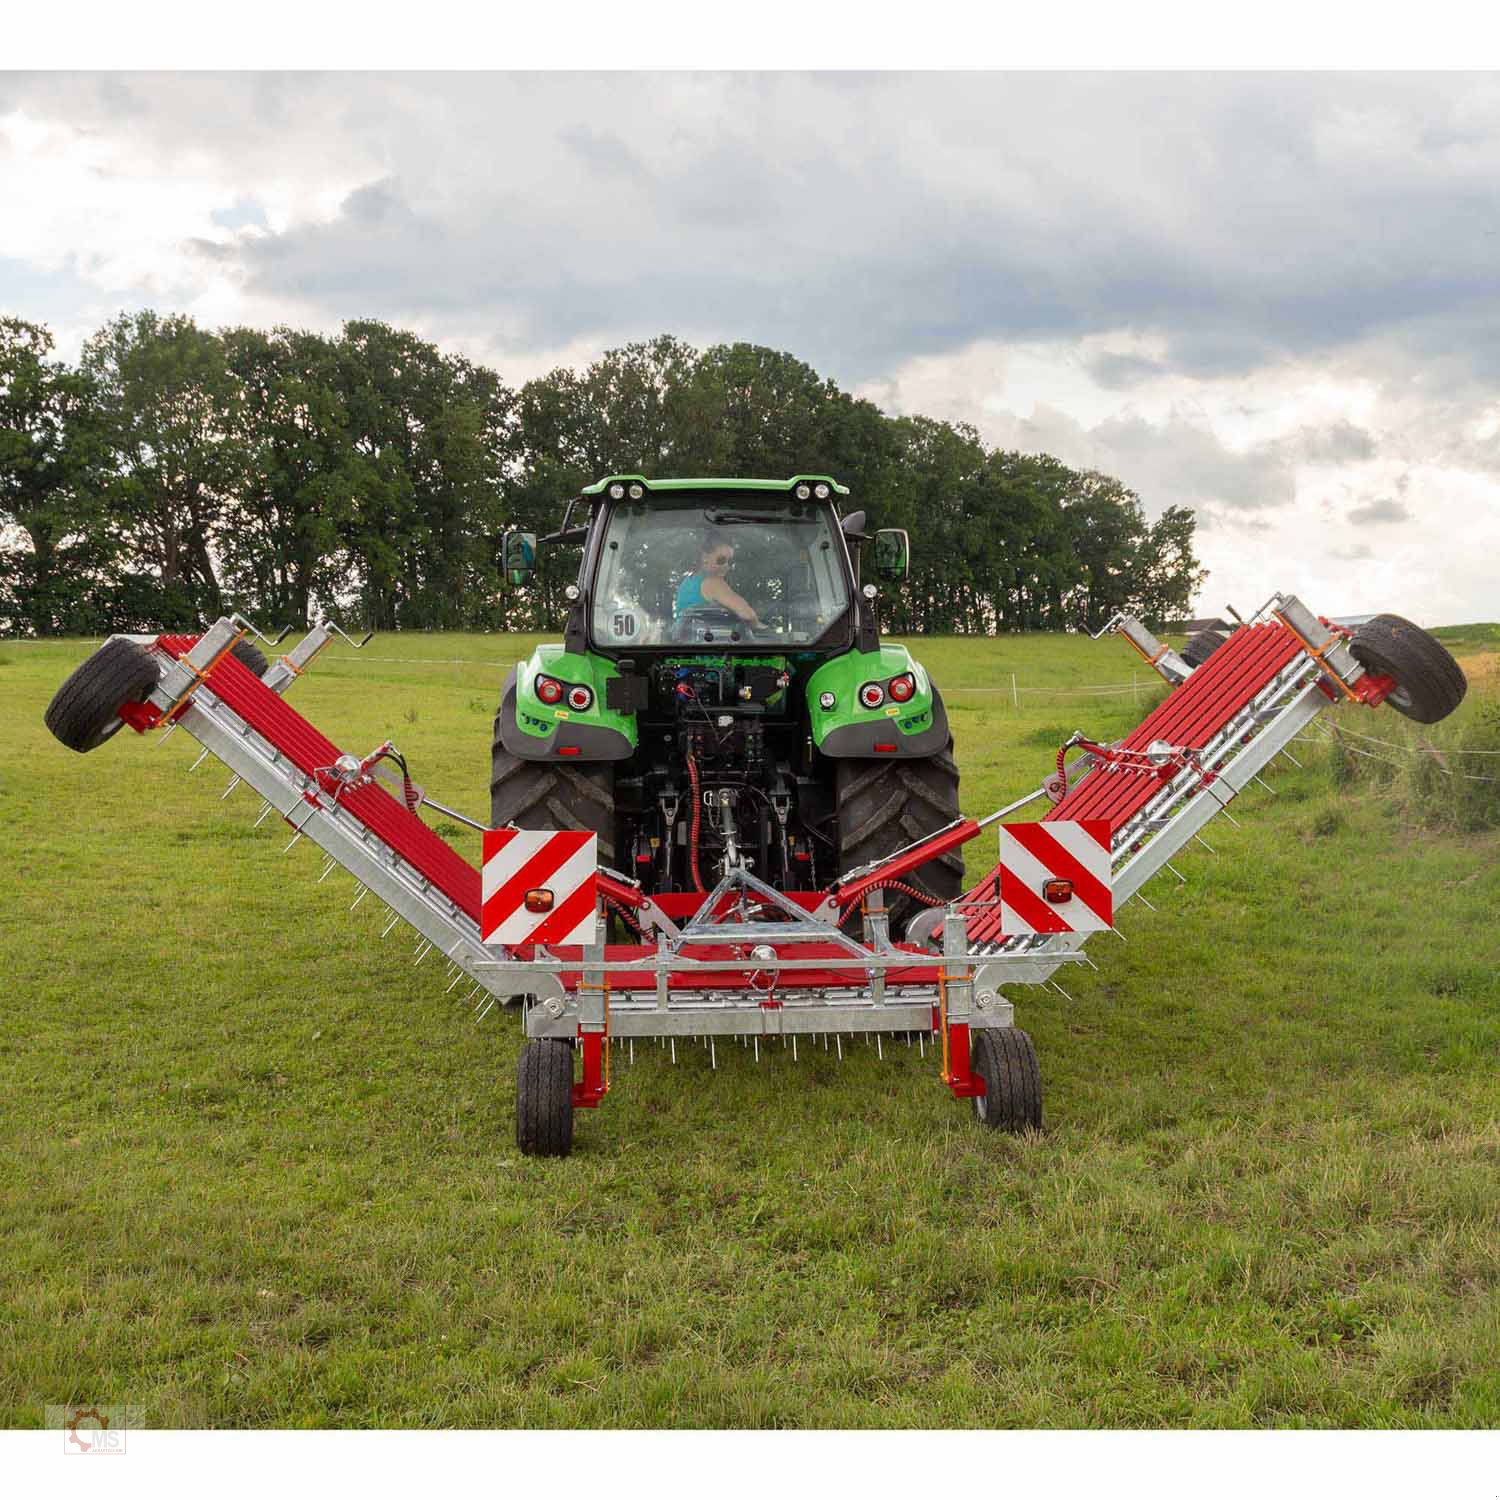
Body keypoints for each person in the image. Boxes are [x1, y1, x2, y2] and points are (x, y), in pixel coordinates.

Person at [675, 533, 762, 627]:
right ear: (705, 557)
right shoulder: (713, 583)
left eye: (730, 562)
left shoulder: (687, 582)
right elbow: (748, 615)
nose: (726, 566)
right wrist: (765, 630)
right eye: (721, 560)